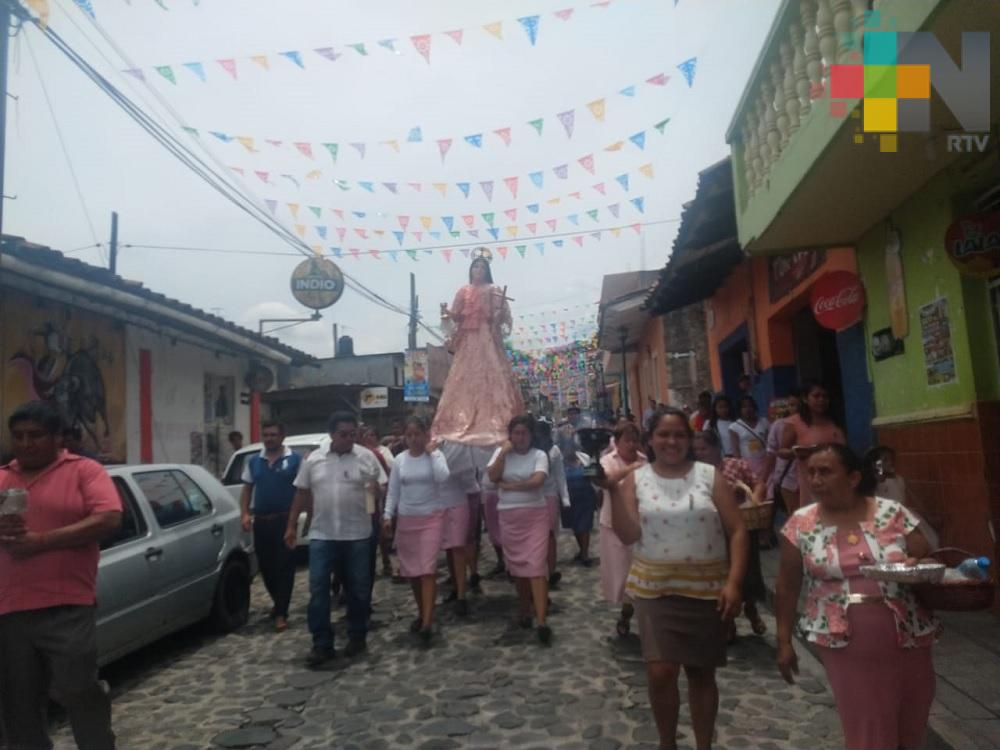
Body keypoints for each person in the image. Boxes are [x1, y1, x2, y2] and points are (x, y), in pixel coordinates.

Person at [776, 444, 939, 750]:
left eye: (825, 471)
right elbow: (786, 585)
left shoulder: (893, 513)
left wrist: (920, 565)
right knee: (868, 728)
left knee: (912, 717)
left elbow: (928, 558)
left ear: (852, 478)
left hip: (908, 634)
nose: (815, 480)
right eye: (811, 472)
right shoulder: (800, 524)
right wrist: (783, 640)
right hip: (844, 639)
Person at [609, 407, 748, 750]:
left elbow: (738, 531)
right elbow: (627, 536)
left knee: (701, 673)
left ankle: (704, 745)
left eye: (679, 435)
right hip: (654, 590)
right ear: (650, 440)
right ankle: (667, 743)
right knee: (661, 672)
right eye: (663, 435)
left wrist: (734, 583)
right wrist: (611, 492)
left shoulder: (708, 476)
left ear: (689, 439)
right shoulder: (636, 479)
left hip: (706, 591)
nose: (671, 441)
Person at [0, 401, 122, 749]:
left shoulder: (84, 471)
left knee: (78, 689)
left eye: (35, 435)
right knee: (17, 703)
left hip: (67, 605)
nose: (25, 443)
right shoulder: (2, 477)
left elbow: (109, 518)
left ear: (57, 437)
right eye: (18, 436)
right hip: (9, 610)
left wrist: (40, 542)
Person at [286, 411, 387, 667]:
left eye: (353, 434)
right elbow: (301, 493)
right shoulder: (314, 460)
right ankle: (321, 643)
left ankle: (357, 635)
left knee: (358, 589)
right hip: (323, 534)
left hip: (357, 534)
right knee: (319, 589)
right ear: (332, 434)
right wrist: (291, 526)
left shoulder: (366, 458)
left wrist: (378, 491)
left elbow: (383, 486)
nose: (348, 439)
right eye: (343, 434)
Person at [432, 252, 525, 446]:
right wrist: (446, 314)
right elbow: (457, 316)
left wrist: (499, 316)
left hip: (487, 338)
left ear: (487, 271)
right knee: (464, 377)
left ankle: (495, 422)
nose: (479, 270)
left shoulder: (494, 289)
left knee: (492, 376)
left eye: (482, 267)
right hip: (468, 339)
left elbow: (505, 319)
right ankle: (460, 420)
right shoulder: (463, 291)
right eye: (476, 266)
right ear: (471, 270)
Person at [382, 417, 451, 644]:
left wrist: (432, 454)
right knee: (413, 572)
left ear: (425, 434)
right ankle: (422, 612)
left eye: (417, 434)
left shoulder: (436, 456)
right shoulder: (399, 461)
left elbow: (444, 477)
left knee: (428, 569)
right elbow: (393, 491)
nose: (413, 439)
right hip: (407, 520)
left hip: (431, 517)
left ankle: (428, 622)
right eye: (409, 435)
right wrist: (387, 515)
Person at [693, 430, 768, 638]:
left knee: (749, 572)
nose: (700, 453)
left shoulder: (736, 465)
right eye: (696, 450)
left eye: (704, 448)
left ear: (717, 448)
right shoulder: (695, 472)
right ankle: (729, 621)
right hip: (713, 531)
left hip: (742, 525)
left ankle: (751, 609)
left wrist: (755, 498)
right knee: (724, 574)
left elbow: (757, 483)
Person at [487, 415, 553, 644]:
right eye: (516, 433)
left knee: (535, 566)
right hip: (509, 516)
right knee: (518, 568)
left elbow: (537, 481)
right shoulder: (501, 454)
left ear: (531, 435)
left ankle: (542, 619)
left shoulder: (539, 455)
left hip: (534, 514)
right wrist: (504, 452)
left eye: (524, 433)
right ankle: (525, 609)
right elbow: (492, 477)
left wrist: (509, 486)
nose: (520, 438)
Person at [240, 421, 302, 632]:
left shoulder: (295, 460)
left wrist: (293, 524)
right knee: (266, 568)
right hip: (262, 522)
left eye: (273, 434)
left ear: (282, 436)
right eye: (265, 434)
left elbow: (301, 492)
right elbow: (247, 489)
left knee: (284, 567)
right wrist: (245, 513)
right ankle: (278, 603)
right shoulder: (254, 461)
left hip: (285, 520)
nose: (269, 438)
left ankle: (281, 612)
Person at [597, 420, 647, 638]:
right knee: (623, 574)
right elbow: (606, 482)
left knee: (643, 573)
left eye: (636, 440)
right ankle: (626, 613)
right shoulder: (606, 461)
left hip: (643, 524)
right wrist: (630, 469)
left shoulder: (645, 460)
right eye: (628, 441)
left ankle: (642, 617)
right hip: (613, 524)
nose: (632, 445)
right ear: (616, 443)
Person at [780, 380, 846, 511]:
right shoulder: (795, 422)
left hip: (837, 482)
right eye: (816, 396)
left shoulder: (834, 420)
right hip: (812, 484)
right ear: (805, 399)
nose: (821, 400)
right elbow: (781, 451)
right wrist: (797, 453)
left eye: (825, 396)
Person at [865, 445, 940, 550]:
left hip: (904, 514)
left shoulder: (899, 479)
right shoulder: (877, 481)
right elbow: (878, 477)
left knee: (927, 541)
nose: (890, 463)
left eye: (891, 459)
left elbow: (913, 498)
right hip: (887, 518)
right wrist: (878, 467)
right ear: (876, 464)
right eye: (885, 460)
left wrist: (927, 515)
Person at [436, 440, 479, 613]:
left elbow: (459, 470)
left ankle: (463, 590)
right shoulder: (435, 443)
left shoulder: (461, 442)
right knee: (449, 548)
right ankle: (455, 584)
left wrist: (437, 457)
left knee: (462, 544)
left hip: (463, 496)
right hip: (439, 503)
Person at [537, 420, 569, 588]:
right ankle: (540, 570)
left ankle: (551, 570)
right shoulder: (532, 451)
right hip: (534, 498)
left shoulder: (554, 450)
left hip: (549, 496)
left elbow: (560, 475)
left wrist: (565, 498)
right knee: (538, 537)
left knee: (550, 536)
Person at [360, 425, 394, 577]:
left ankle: (384, 562)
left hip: (370, 498)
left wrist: (380, 491)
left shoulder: (375, 454)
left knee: (375, 530)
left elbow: (385, 476)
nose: (367, 437)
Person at [761, 392, 800, 519]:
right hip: (788, 478)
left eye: (798, 405)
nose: (794, 408)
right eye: (791, 405)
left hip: (810, 478)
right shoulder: (779, 425)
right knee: (795, 517)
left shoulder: (815, 424)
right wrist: (763, 481)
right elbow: (771, 453)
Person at [561, 444, 597, 566]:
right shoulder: (560, 462)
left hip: (586, 498)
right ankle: (582, 550)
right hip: (569, 500)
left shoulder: (584, 458)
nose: (568, 450)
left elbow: (594, 473)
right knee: (575, 527)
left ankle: (585, 554)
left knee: (584, 527)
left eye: (571, 448)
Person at [729, 395, 769, 478]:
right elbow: (735, 449)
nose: (748, 409)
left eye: (750, 406)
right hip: (747, 464)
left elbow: (769, 443)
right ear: (740, 409)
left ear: (754, 407)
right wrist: (740, 467)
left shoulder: (764, 422)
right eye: (744, 407)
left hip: (765, 461)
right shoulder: (734, 427)